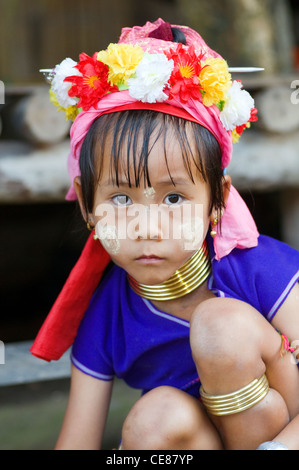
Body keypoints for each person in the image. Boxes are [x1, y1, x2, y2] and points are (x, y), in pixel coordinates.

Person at [31, 19, 299, 450]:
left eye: (174, 199)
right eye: (120, 199)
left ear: (217, 201)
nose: (147, 226)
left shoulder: (260, 270)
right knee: (153, 419)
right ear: (86, 203)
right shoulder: (106, 318)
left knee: (221, 326)